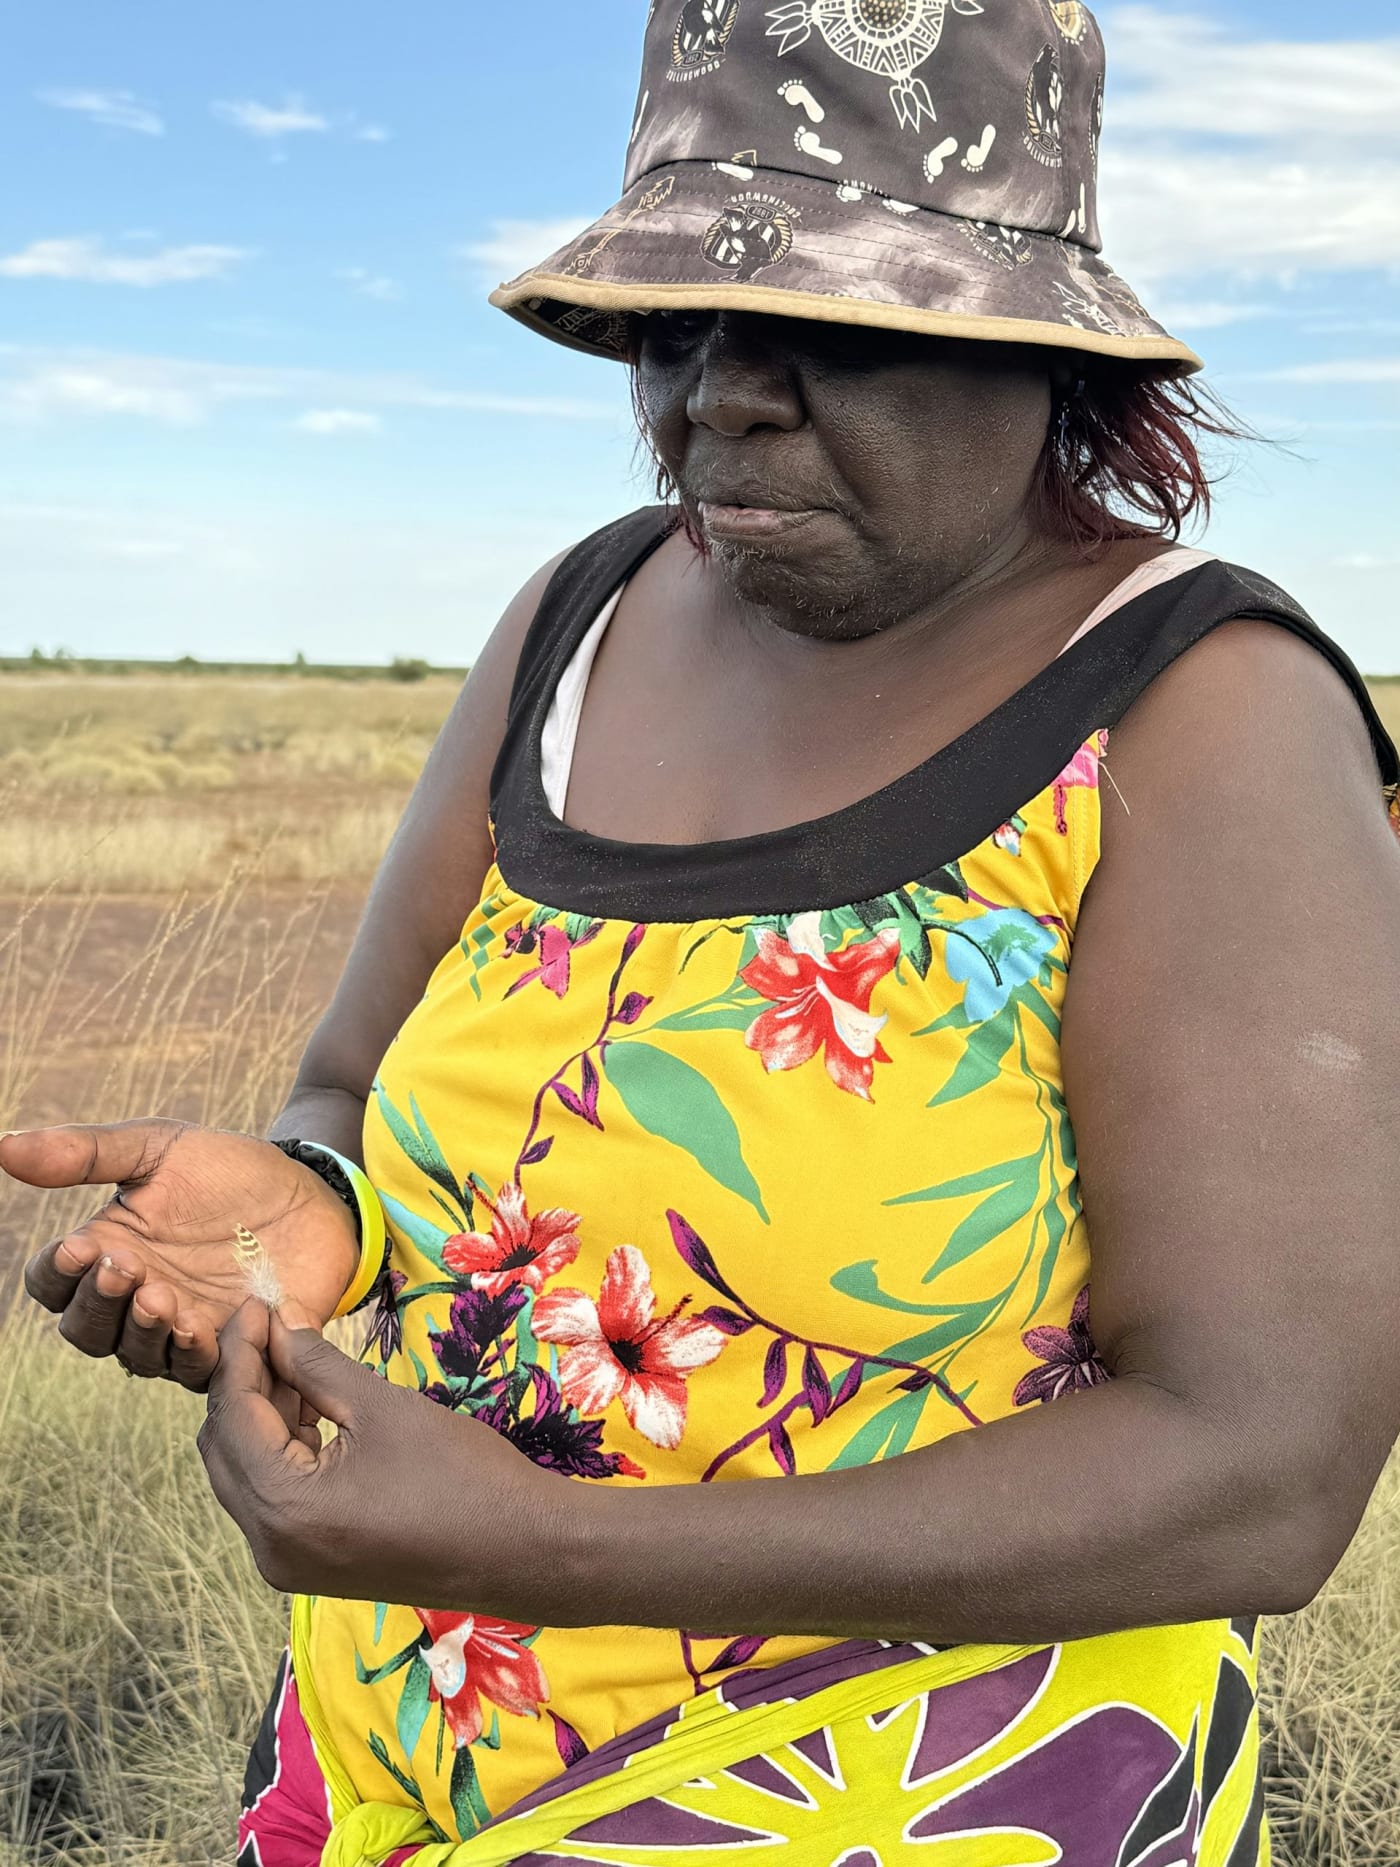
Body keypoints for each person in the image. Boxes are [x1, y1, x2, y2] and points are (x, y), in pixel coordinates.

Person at [8, 3, 1400, 1862]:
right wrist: (308, 1205)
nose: (719, 391)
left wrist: (542, 1548)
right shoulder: (576, 621)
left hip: (923, 1804)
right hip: (393, 1771)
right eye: (674, 319)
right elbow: (350, 1077)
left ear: (1043, 356)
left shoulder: (1195, 706)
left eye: (832, 320)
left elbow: (1264, 1471)